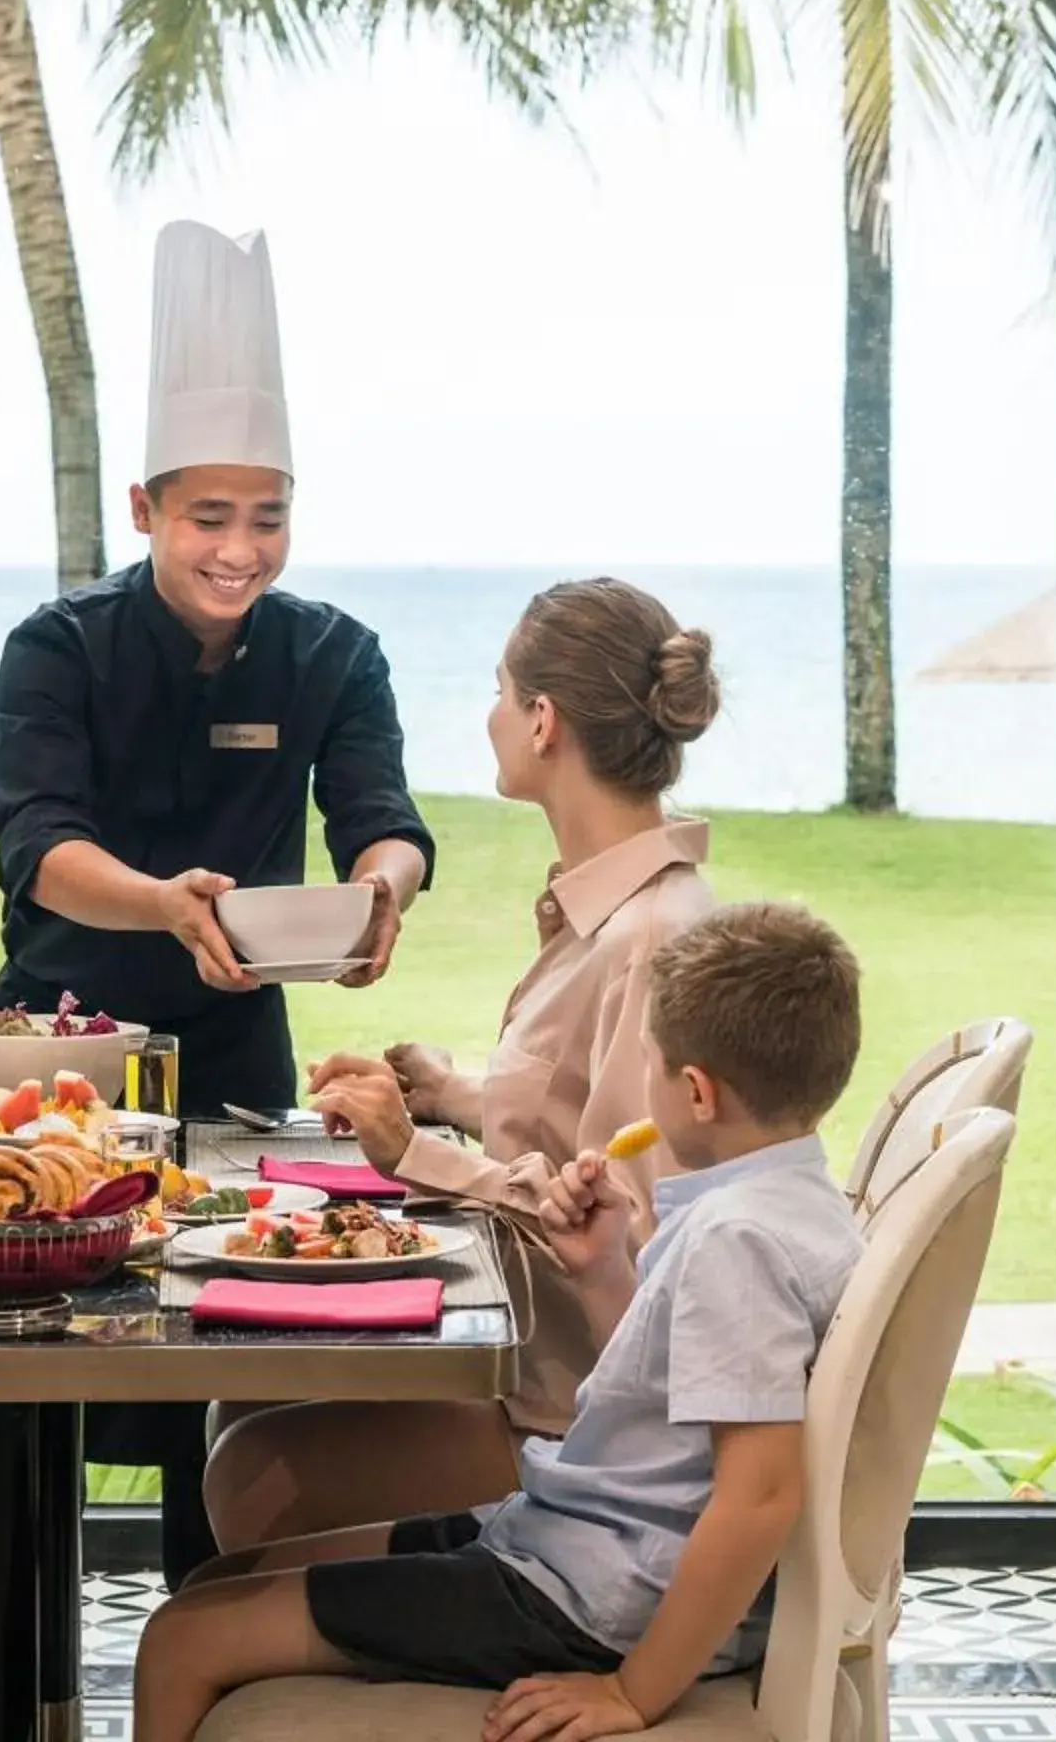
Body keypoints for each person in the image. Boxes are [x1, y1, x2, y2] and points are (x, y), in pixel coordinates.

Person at [0, 219, 437, 1580]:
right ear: (144, 510)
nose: (241, 550)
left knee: (228, 1380)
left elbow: (385, 823)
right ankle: (21, 1681)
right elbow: (40, 846)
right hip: (57, 1064)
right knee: (23, 1387)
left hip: (239, 1064)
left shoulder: (333, 654)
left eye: (268, 517)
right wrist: (163, 902)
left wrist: (376, 901)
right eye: (208, 518)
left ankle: (213, 1648)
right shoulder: (56, 647)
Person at [131, 902, 868, 1742]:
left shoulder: (738, 1241)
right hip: (570, 1547)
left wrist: (634, 1691)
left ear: (695, 1092)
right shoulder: (795, 1208)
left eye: (652, 1065)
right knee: (225, 1582)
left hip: (589, 1597)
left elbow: (761, 1494)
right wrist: (601, 1270)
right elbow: (677, 1405)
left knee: (179, 1639)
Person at [206, 578, 724, 1550]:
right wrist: (450, 1094)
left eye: (499, 690)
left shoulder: (651, 941)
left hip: (578, 1425)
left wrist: (416, 1150)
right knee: (241, 1406)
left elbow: (627, 1228)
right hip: (546, 1372)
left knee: (251, 1470)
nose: (488, 714)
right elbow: (597, 1136)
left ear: (541, 721)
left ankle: (300, 1657)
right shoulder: (619, 911)